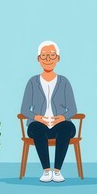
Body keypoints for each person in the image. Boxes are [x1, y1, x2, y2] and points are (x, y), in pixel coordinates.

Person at [20, 41, 77, 183]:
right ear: (38, 59)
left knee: (67, 127)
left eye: (51, 56)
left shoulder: (64, 82)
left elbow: (73, 109)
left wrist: (61, 117)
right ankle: (46, 170)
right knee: (36, 128)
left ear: (58, 58)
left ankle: (57, 171)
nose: (48, 60)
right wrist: (37, 117)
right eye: (44, 56)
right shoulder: (33, 82)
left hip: (59, 124)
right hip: (39, 123)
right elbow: (24, 109)